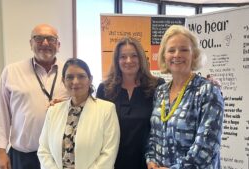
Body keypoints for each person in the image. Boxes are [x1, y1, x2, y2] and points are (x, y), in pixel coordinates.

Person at [0, 24, 69, 169]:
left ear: (58, 45)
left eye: (51, 39)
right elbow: (1, 114)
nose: (45, 43)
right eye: (39, 38)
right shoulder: (12, 71)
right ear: (30, 43)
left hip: (60, 157)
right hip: (24, 157)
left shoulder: (69, 73)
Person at [145, 25, 224, 169]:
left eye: (184, 49)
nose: (177, 55)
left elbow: (207, 147)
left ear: (194, 54)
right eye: (171, 50)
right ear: (164, 55)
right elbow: (153, 134)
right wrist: (150, 159)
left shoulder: (208, 91)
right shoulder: (160, 92)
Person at [38, 58, 120, 169]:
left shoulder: (107, 109)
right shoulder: (53, 111)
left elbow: (109, 153)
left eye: (81, 76)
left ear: (90, 79)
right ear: (63, 81)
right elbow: (44, 150)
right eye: (70, 77)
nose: (75, 81)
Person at [96, 37, 165, 169]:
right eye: (123, 57)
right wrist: (63, 104)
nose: (128, 61)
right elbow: (93, 120)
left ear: (141, 59)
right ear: (117, 60)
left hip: (148, 161)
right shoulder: (104, 89)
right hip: (113, 161)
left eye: (134, 56)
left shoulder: (157, 86)